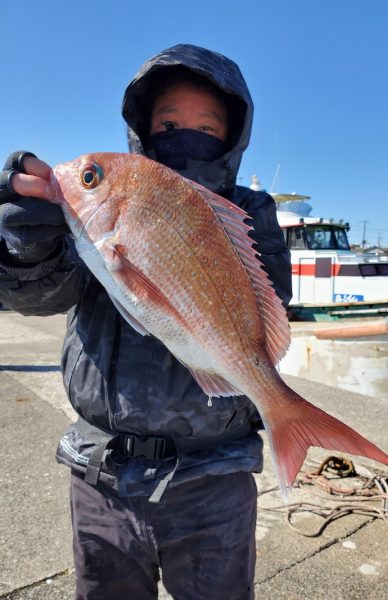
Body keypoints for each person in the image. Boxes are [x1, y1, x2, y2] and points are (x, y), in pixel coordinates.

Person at [0, 44, 292, 599]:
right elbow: (41, 298)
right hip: (101, 473)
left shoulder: (251, 211)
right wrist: (25, 246)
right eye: (169, 122)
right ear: (144, 129)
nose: (189, 135)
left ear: (232, 136)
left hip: (216, 479)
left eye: (207, 125)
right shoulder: (96, 218)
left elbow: (269, 300)